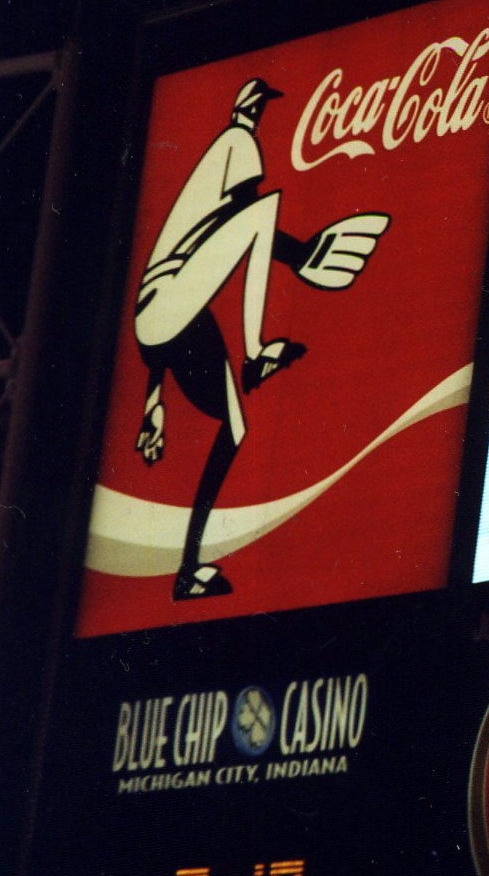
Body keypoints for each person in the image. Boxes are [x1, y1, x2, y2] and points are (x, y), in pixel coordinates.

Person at [132, 77, 389, 600]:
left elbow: (221, 237)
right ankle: (254, 352)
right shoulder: (236, 141)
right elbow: (251, 218)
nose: (263, 114)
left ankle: (187, 572)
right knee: (265, 209)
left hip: (166, 317)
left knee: (234, 427)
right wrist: (301, 258)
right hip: (169, 300)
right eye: (262, 105)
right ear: (251, 108)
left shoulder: (219, 157)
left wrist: (152, 398)